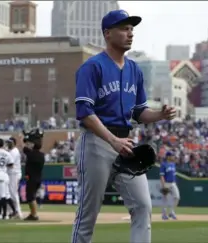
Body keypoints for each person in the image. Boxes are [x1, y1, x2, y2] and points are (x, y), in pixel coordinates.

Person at [72, 10, 176, 243]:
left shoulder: (134, 70)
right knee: (88, 213)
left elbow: (139, 112)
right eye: (123, 28)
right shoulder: (92, 67)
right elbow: (84, 112)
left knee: (142, 205)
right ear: (107, 34)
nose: (130, 33)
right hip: (97, 143)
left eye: (131, 29)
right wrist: (113, 140)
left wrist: (160, 114)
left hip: (126, 144)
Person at [23, 128, 45, 221]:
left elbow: (25, 148)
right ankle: (32, 213)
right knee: (32, 196)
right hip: (38, 177)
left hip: (32, 178)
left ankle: (34, 214)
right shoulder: (41, 155)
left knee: (30, 196)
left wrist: (26, 137)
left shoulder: (31, 154)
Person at [6, 137, 23, 219]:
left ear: (14, 143)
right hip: (11, 173)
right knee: (9, 193)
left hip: (14, 173)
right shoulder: (10, 151)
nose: (9, 144)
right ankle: (12, 212)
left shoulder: (14, 151)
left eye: (10, 142)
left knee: (13, 193)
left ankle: (18, 212)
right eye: (8, 142)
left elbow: (10, 164)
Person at [160, 151, 180, 220]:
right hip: (166, 183)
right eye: (172, 156)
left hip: (173, 183)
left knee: (177, 197)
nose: (173, 157)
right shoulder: (163, 164)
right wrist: (163, 185)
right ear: (168, 156)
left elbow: (174, 175)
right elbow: (162, 176)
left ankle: (171, 212)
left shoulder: (173, 164)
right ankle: (164, 214)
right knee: (165, 199)